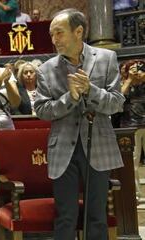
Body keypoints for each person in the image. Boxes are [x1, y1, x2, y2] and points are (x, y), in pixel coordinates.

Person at [34, 8, 125, 239]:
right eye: (52, 34)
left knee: (97, 216)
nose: (54, 40)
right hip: (63, 149)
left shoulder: (106, 58)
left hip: (99, 145)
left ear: (78, 32)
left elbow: (116, 103)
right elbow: (42, 110)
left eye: (59, 33)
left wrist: (90, 91)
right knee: (65, 216)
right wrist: (70, 98)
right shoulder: (46, 69)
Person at [120, 60, 145, 201]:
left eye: (139, 68)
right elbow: (118, 99)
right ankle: (136, 194)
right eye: (133, 69)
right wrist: (129, 80)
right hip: (130, 127)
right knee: (133, 162)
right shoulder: (123, 84)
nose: (137, 72)